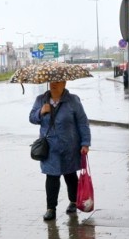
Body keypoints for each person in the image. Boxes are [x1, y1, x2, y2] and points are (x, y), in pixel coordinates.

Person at [29, 80, 91, 221]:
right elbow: (32, 118)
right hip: (50, 148)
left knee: (70, 175)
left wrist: (85, 143)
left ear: (64, 83)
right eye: (51, 81)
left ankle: (73, 202)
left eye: (57, 82)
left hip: (69, 146)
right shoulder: (41, 100)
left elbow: (82, 122)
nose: (54, 84)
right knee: (51, 177)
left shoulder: (73, 100)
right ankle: (51, 209)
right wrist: (41, 111)